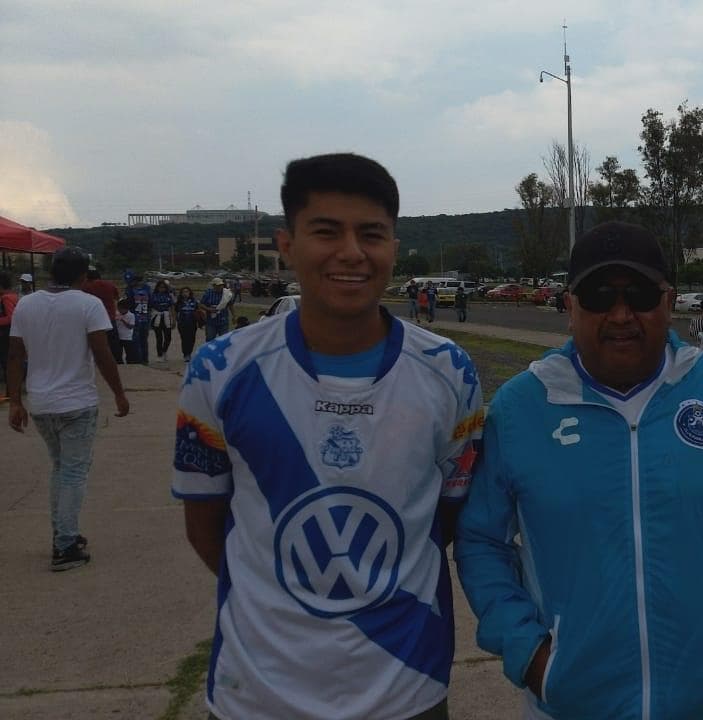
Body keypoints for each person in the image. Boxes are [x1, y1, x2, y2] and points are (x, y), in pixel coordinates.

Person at [172, 152, 482, 720]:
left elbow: (448, 520)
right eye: (326, 231)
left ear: (394, 245)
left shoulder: (450, 372)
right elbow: (205, 527)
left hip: (406, 690)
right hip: (258, 695)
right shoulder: (219, 370)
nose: (351, 252)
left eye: (371, 234)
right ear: (287, 245)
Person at [457, 221, 703, 720]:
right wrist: (531, 655)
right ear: (570, 307)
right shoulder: (521, 407)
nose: (621, 314)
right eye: (600, 296)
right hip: (570, 706)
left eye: (641, 295)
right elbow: (481, 540)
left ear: (669, 302)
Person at [7, 247, 129, 572]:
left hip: (41, 402)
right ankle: (64, 546)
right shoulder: (88, 304)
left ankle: (63, 533)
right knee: (74, 472)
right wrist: (119, 393)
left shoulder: (26, 304)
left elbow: (15, 355)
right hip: (77, 402)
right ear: (83, 275)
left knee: (60, 469)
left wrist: (16, 400)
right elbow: (102, 353)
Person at [83, 267, 122, 363]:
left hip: (94, 320)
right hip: (110, 318)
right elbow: (117, 298)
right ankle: (118, 361)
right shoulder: (110, 285)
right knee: (113, 344)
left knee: (95, 344)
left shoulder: (86, 286)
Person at [123, 271, 151, 364]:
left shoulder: (146, 288)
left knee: (142, 339)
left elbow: (150, 302)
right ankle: (138, 359)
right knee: (136, 339)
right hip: (134, 317)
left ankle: (144, 359)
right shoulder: (129, 289)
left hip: (144, 317)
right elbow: (127, 303)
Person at [0, 272, 17, 398]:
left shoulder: (6, 298)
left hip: (5, 334)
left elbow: (11, 318)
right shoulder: (13, 295)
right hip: (9, 333)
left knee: (6, 362)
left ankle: (9, 392)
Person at [199, 277, 232, 341]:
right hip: (211, 322)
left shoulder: (226, 293)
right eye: (218, 285)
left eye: (221, 285)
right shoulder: (208, 293)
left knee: (224, 340)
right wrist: (209, 309)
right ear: (213, 286)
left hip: (223, 321)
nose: (220, 287)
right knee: (210, 339)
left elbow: (230, 305)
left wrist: (234, 316)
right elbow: (201, 304)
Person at [150, 279, 175, 362]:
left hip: (166, 317)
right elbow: (150, 306)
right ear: (157, 287)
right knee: (159, 337)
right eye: (160, 287)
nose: (162, 289)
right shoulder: (153, 295)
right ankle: (159, 354)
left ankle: (164, 351)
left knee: (168, 337)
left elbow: (172, 307)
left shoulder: (168, 296)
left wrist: (174, 319)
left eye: (164, 287)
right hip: (157, 316)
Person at [174, 287, 200, 362]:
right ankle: (186, 354)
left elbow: (198, 310)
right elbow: (175, 311)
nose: (185, 293)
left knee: (192, 339)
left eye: (187, 292)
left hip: (192, 323)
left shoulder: (194, 301)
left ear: (190, 293)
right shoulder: (179, 302)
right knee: (184, 339)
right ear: (181, 293)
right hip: (182, 323)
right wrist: (176, 320)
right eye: (184, 292)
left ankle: (189, 352)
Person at [116, 300, 139, 364]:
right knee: (118, 352)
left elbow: (131, 327)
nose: (120, 310)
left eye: (121, 309)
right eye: (118, 308)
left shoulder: (131, 315)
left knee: (129, 353)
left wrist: (122, 320)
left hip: (127, 337)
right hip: (118, 337)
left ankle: (130, 363)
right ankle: (120, 363)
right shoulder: (117, 313)